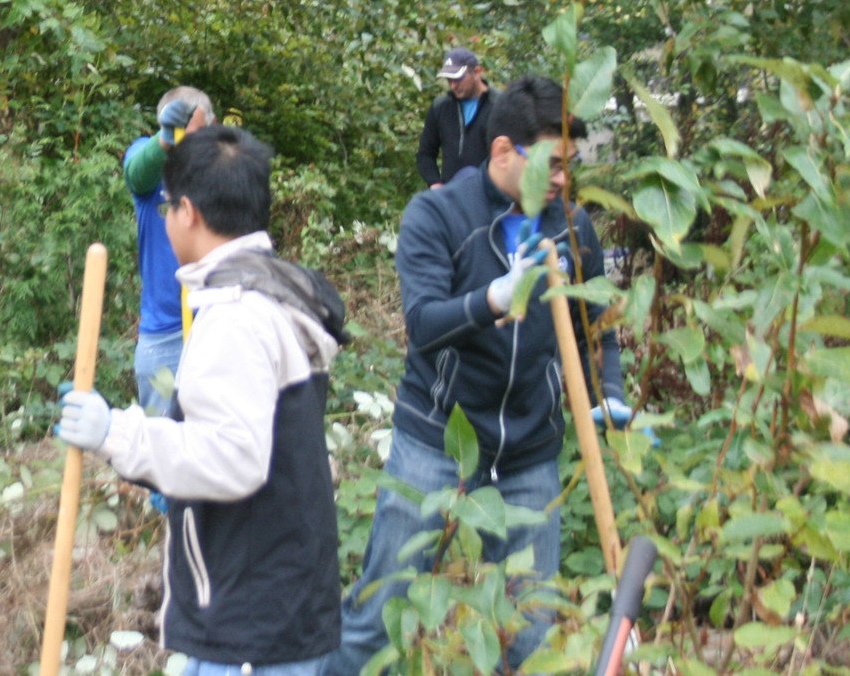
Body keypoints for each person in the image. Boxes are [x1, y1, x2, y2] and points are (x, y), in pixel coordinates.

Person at [327, 75, 633, 675]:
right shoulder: (437, 215)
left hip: (529, 454)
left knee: (530, 632)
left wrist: (610, 393)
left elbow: (598, 328)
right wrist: (492, 299)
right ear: (501, 152)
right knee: (380, 611)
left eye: (571, 165)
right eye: (553, 163)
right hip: (436, 443)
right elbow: (423, 323)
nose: (566, 179)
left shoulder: (572, 228)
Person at [58, 125, 347, 676]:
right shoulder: (270, 291)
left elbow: (232, 457)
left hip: (251, 615)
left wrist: (115, 433)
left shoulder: (238, 316)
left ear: (187, 211)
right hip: (267, 596)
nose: (165, 219)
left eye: (166, 206)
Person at [121, 87, 215, 414]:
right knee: (161, 447)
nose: (189, 145)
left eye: (197, 135)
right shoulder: (148, 161)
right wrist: (164, 140)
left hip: (215, 323)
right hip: (164, 337)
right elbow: (137, 172)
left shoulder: (221, 170)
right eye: (181, 134)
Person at [416, 47, 495, 188]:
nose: (453, 85)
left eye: (458, 78)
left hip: (490, 199)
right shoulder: (441, 107)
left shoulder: (500, 105)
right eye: (449, 79)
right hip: (452, 199)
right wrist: (435, 183)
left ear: (477, 72)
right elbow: (425, 154)